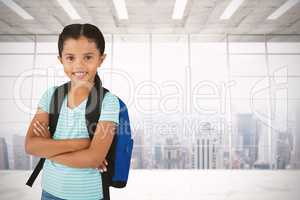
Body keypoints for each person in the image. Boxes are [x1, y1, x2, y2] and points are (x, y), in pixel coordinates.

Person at [25, 23, 120, 200]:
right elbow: (30, 145)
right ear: (60, 59)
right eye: (70, 58)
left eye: (88, 57)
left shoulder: (108, 102)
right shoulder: (51, 95)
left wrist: (48, 147)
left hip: (89, 194)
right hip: (49, 192)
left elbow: (93, 158)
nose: (79, 65)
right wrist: (81, 144)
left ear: (101, 59)